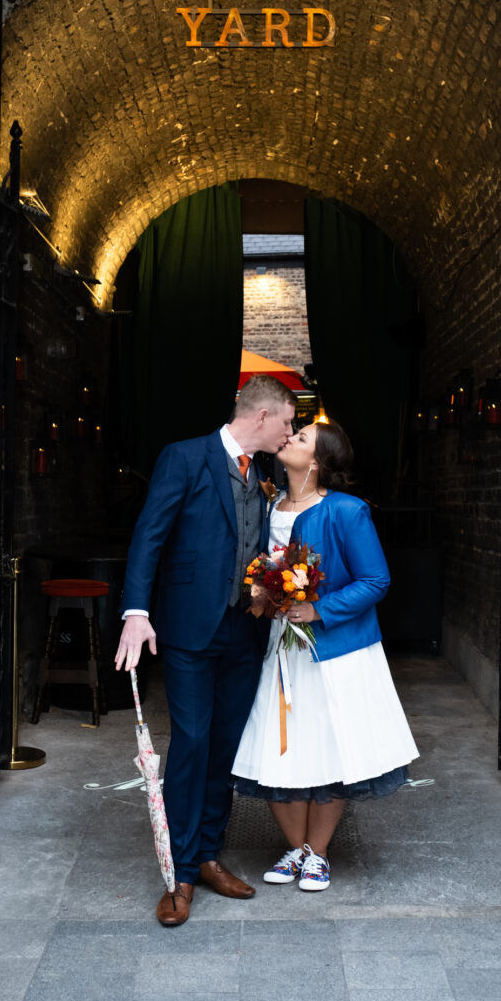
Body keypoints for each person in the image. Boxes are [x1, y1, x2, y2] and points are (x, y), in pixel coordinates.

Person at [114, 375, 297, 926]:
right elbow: (150, 534)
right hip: (191, 627)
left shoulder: (264, 474)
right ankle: (180, 874)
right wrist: (136, 612)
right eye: (287, 422)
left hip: (245, 630)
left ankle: (209, 855)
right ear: (261, 417)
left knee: (225, 746)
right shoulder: (185, 457)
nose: (290, 433)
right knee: (192, 741)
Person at [232, 418, 420, 891]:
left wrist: (318, 609)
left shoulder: (347, 511)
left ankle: (318, 853)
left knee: (329, 749)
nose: (290, 439)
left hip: (334, 651)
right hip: (276, 649)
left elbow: (376, 581)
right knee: (272, 747)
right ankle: (296, 849)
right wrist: (261, 595)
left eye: (301, 438)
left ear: (315, 462)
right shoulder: (268, 502)